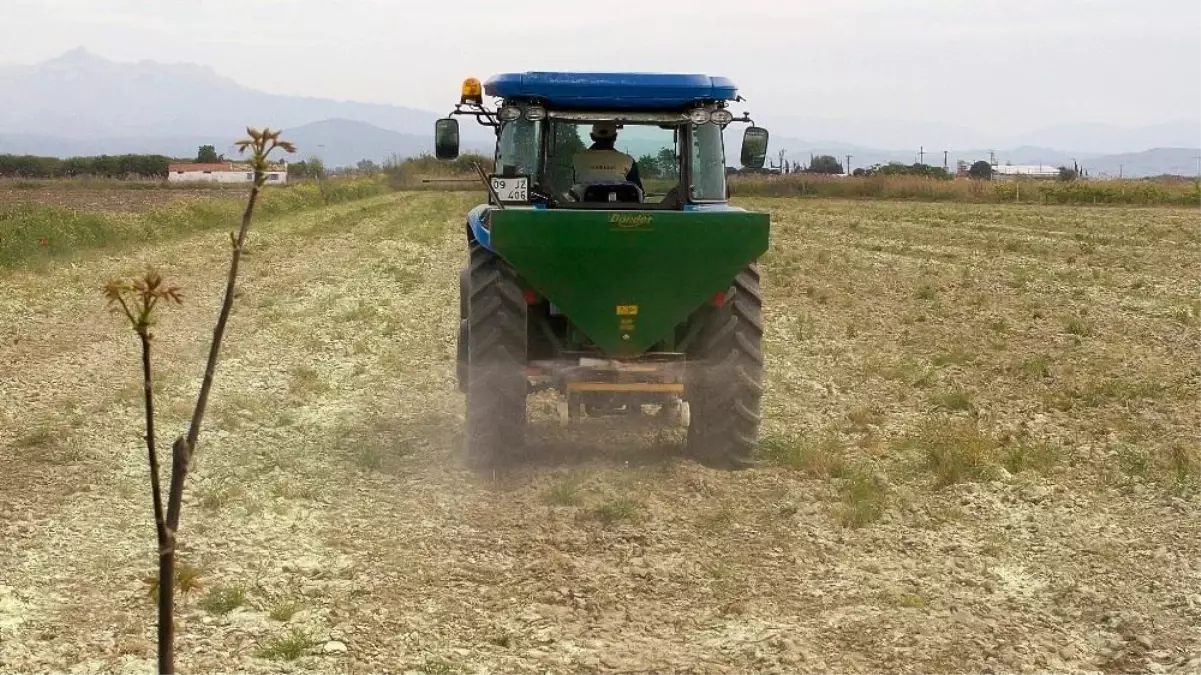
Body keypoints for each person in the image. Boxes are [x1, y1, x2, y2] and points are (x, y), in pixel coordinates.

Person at [572, 121, 643, 191]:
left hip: (584, 202)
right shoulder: (628, 161)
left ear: (592, 136)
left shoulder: (577, 159)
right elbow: (638, 191)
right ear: (615, 137)